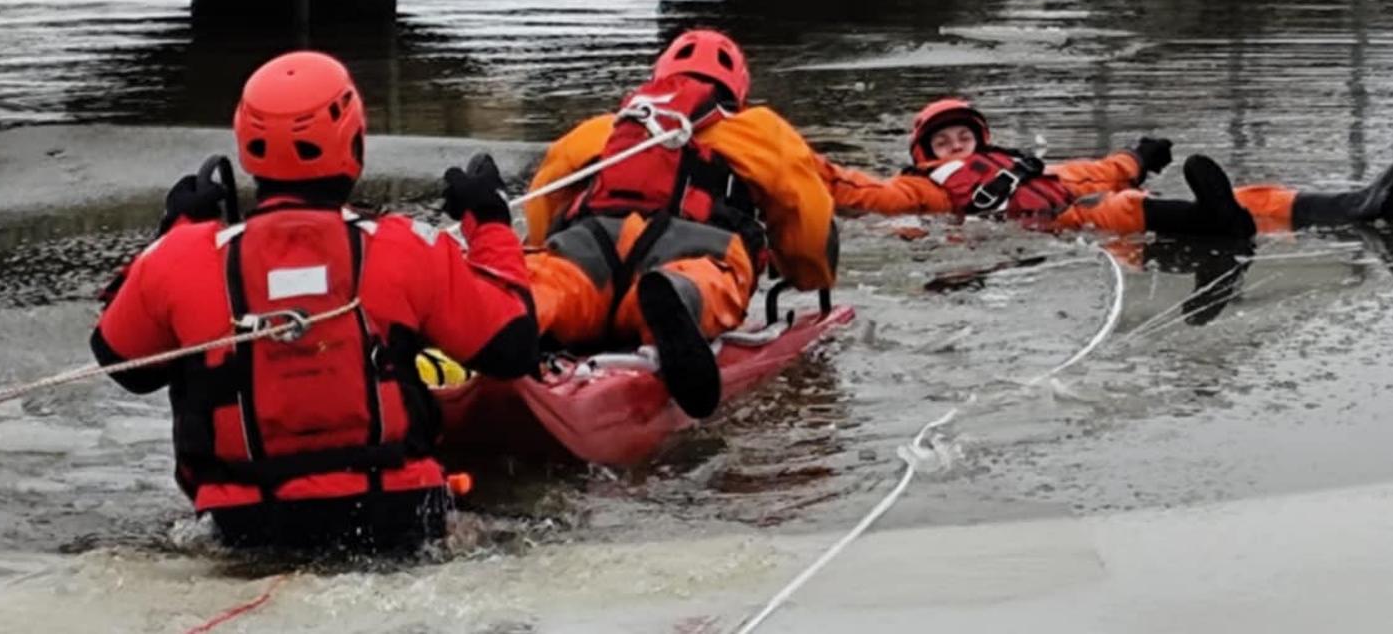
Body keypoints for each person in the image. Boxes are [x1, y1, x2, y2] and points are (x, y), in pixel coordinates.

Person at [90, 51, 539, 552]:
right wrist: (491, 222)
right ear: (354, 139)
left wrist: (170, 232)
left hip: (240, 532)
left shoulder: (181, 259)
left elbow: (123, 363)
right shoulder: (405, 248)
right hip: (396, 523)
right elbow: (513, 345)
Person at [521, 29, 838, 420]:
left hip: (590, 244)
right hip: (695, 248)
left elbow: (541, 203)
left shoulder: (601, 128)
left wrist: (546, 247)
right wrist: (809, 275)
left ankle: (516, 311)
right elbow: (807, 214)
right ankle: (676, 298)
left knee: (553, 282)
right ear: (737, 89)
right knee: (704, 281)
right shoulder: (758, 130)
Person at [818, 98, 1393, 238]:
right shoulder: (922, 190)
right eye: (944, 142)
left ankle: (1358, 204)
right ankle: (1215, 220)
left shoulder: (1026, 166)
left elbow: (1091, 172)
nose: (956, 147)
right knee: (1121, 211)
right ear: (927, 153)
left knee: (1251, 194)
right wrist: (796, 165)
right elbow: (861, 192)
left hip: (1065, 203)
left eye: (963, 137)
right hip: (1040, 232)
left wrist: (1136, 157)